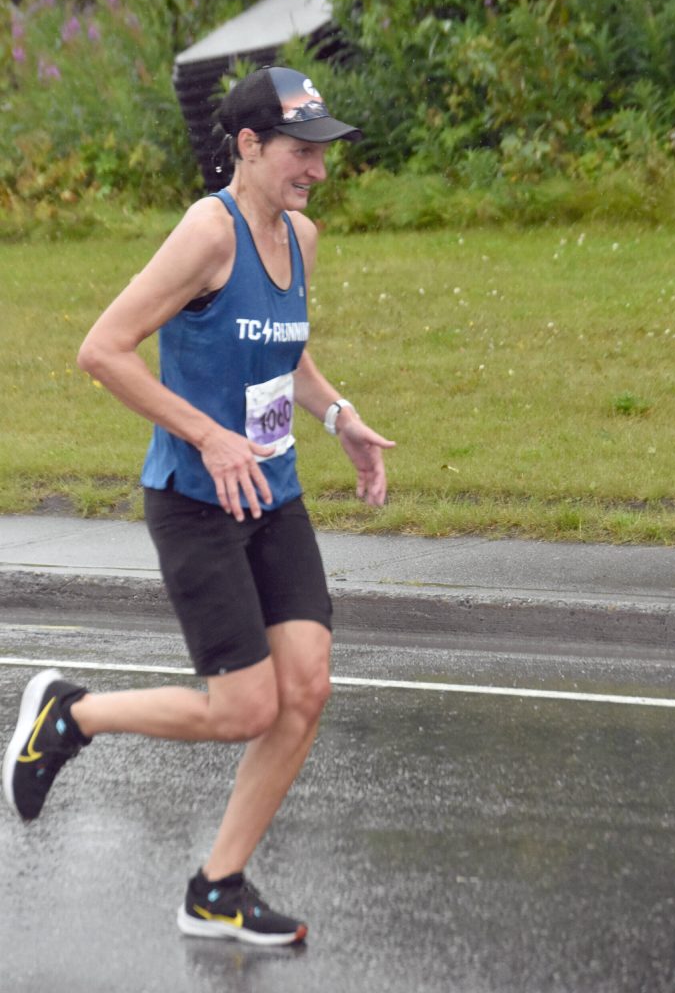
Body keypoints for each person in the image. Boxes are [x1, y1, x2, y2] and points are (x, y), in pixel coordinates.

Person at [2, 66, 394, 946]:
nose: (318, 170)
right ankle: (70, 713)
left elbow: (282, 350)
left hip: (273, 491)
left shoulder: (302, 235)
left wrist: (338, 416)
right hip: (194, 498)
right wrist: (208, 437)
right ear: (248, 147)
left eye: (322, 152)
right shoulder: (203, 235)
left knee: (307, 688)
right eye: (302, 152)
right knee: (246, 708)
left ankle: (217, 889)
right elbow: (102, 350)